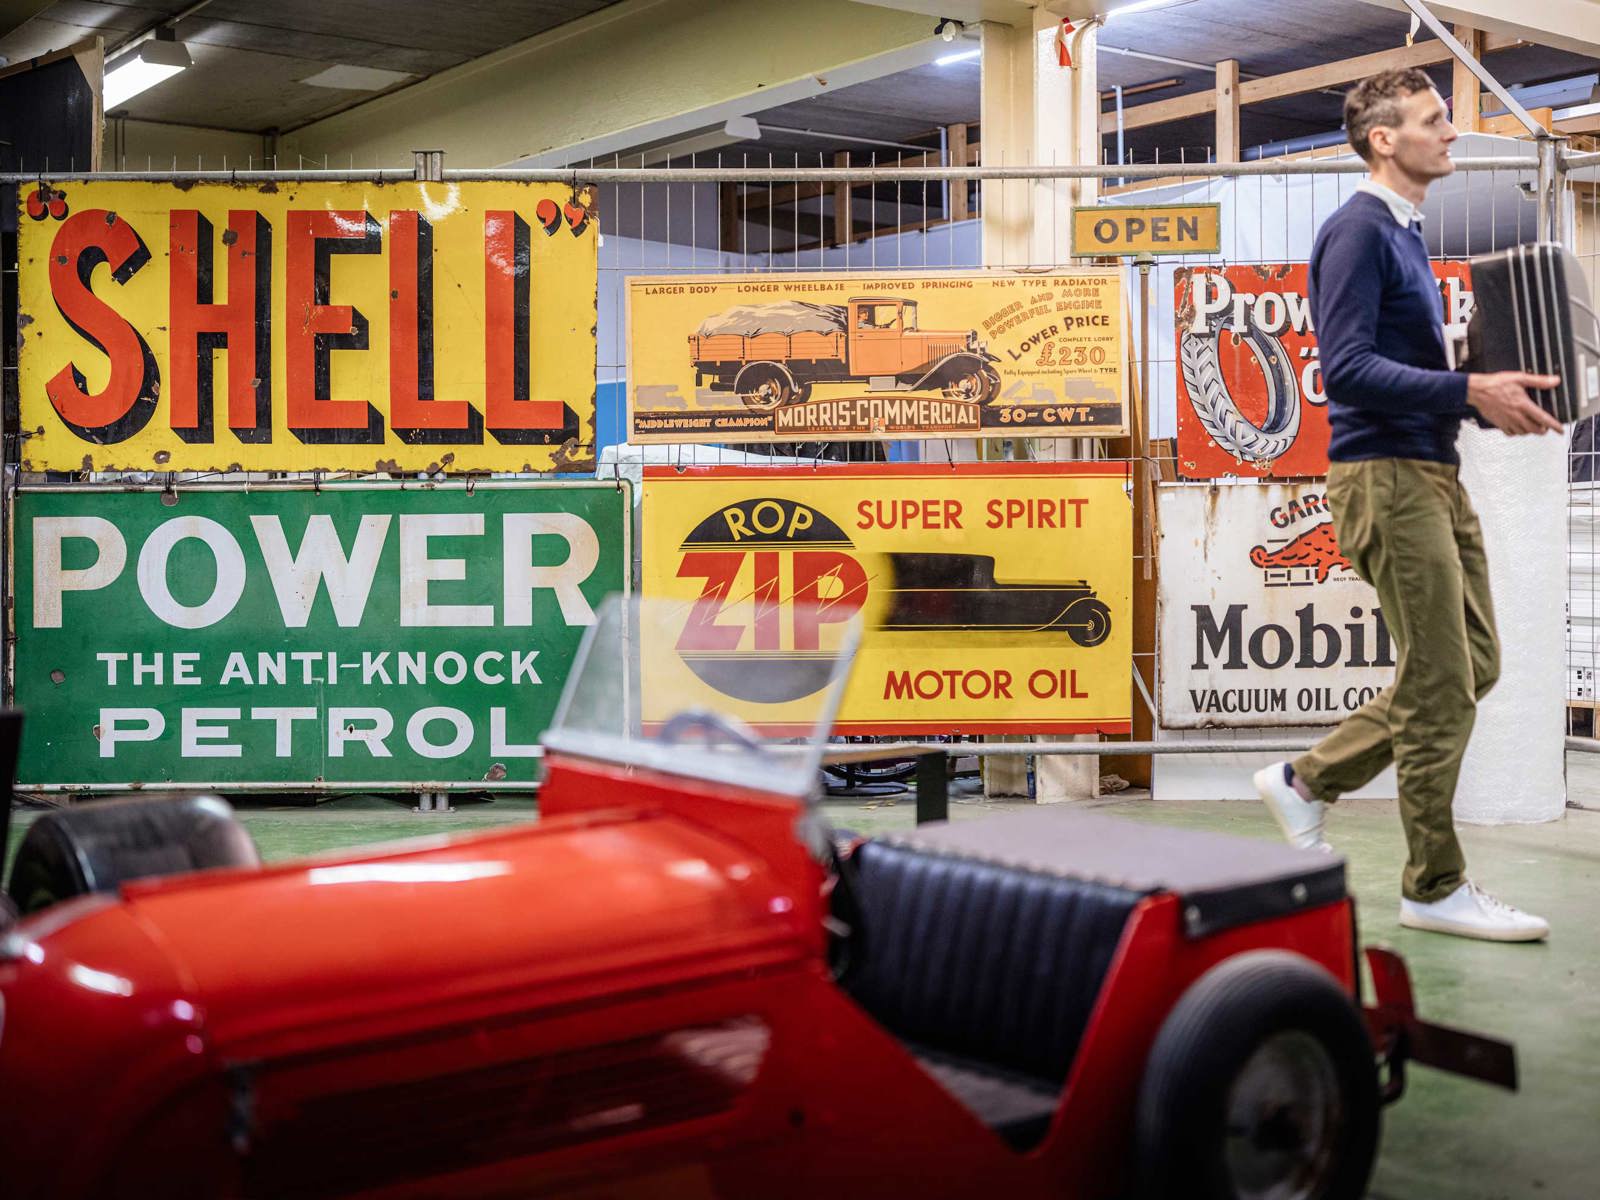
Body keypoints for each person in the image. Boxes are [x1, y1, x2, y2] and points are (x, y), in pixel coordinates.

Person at [1253, 67, 1561, 943]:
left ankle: (1308, 779)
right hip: (1386, 476)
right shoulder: (1356, 231)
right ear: (1384, 139)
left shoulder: (1404, 235)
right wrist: (1470, 387)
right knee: (1440, 686)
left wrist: (1473, 364)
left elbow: (1397, 359)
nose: (1450, 132)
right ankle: (1433, 885)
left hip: (1430, 472)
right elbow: (1344, 370)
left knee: (1474, 667)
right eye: (1433, 120)